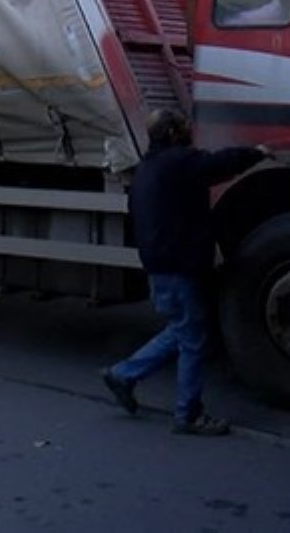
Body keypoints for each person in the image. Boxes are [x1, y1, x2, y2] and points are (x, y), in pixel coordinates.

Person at [101, 108, 270, 436]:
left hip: (158, 264)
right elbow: (219, 163)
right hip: (180, 264)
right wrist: (258, 153)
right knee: (192, 339)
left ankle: (123, 375)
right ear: (174, 133)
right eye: (184, 128)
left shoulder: (147, 170)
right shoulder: (180, 163)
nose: (189, 131)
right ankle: (188, 413)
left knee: (183, 330)